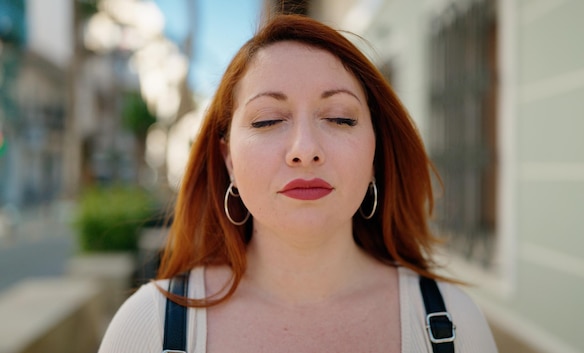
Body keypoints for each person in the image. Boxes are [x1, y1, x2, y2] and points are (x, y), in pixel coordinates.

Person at [98, 14, 498, 353]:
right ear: (229, 160)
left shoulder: (456, 324)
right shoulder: (149, 328)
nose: (305, 150)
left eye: (340, 118)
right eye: (267, 120)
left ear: (376, 154)